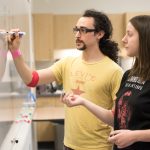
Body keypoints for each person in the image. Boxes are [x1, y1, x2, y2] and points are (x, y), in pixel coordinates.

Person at [8, 9, 123, 150]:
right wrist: (15, 51)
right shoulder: (67, 63)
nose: (77, 35)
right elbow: (31, 79)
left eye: (83, 30)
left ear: (99, 34)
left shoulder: (114, 71)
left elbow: (116, 118)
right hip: (68, 145)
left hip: (98, 147)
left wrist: (84, 102)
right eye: (76, 30)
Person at [62, 15, 150, 150]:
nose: (123, 39)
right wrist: (83, 101)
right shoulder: (129, 75)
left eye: (129, 34)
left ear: (145, 39)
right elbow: (114, 117)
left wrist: (134, 136)